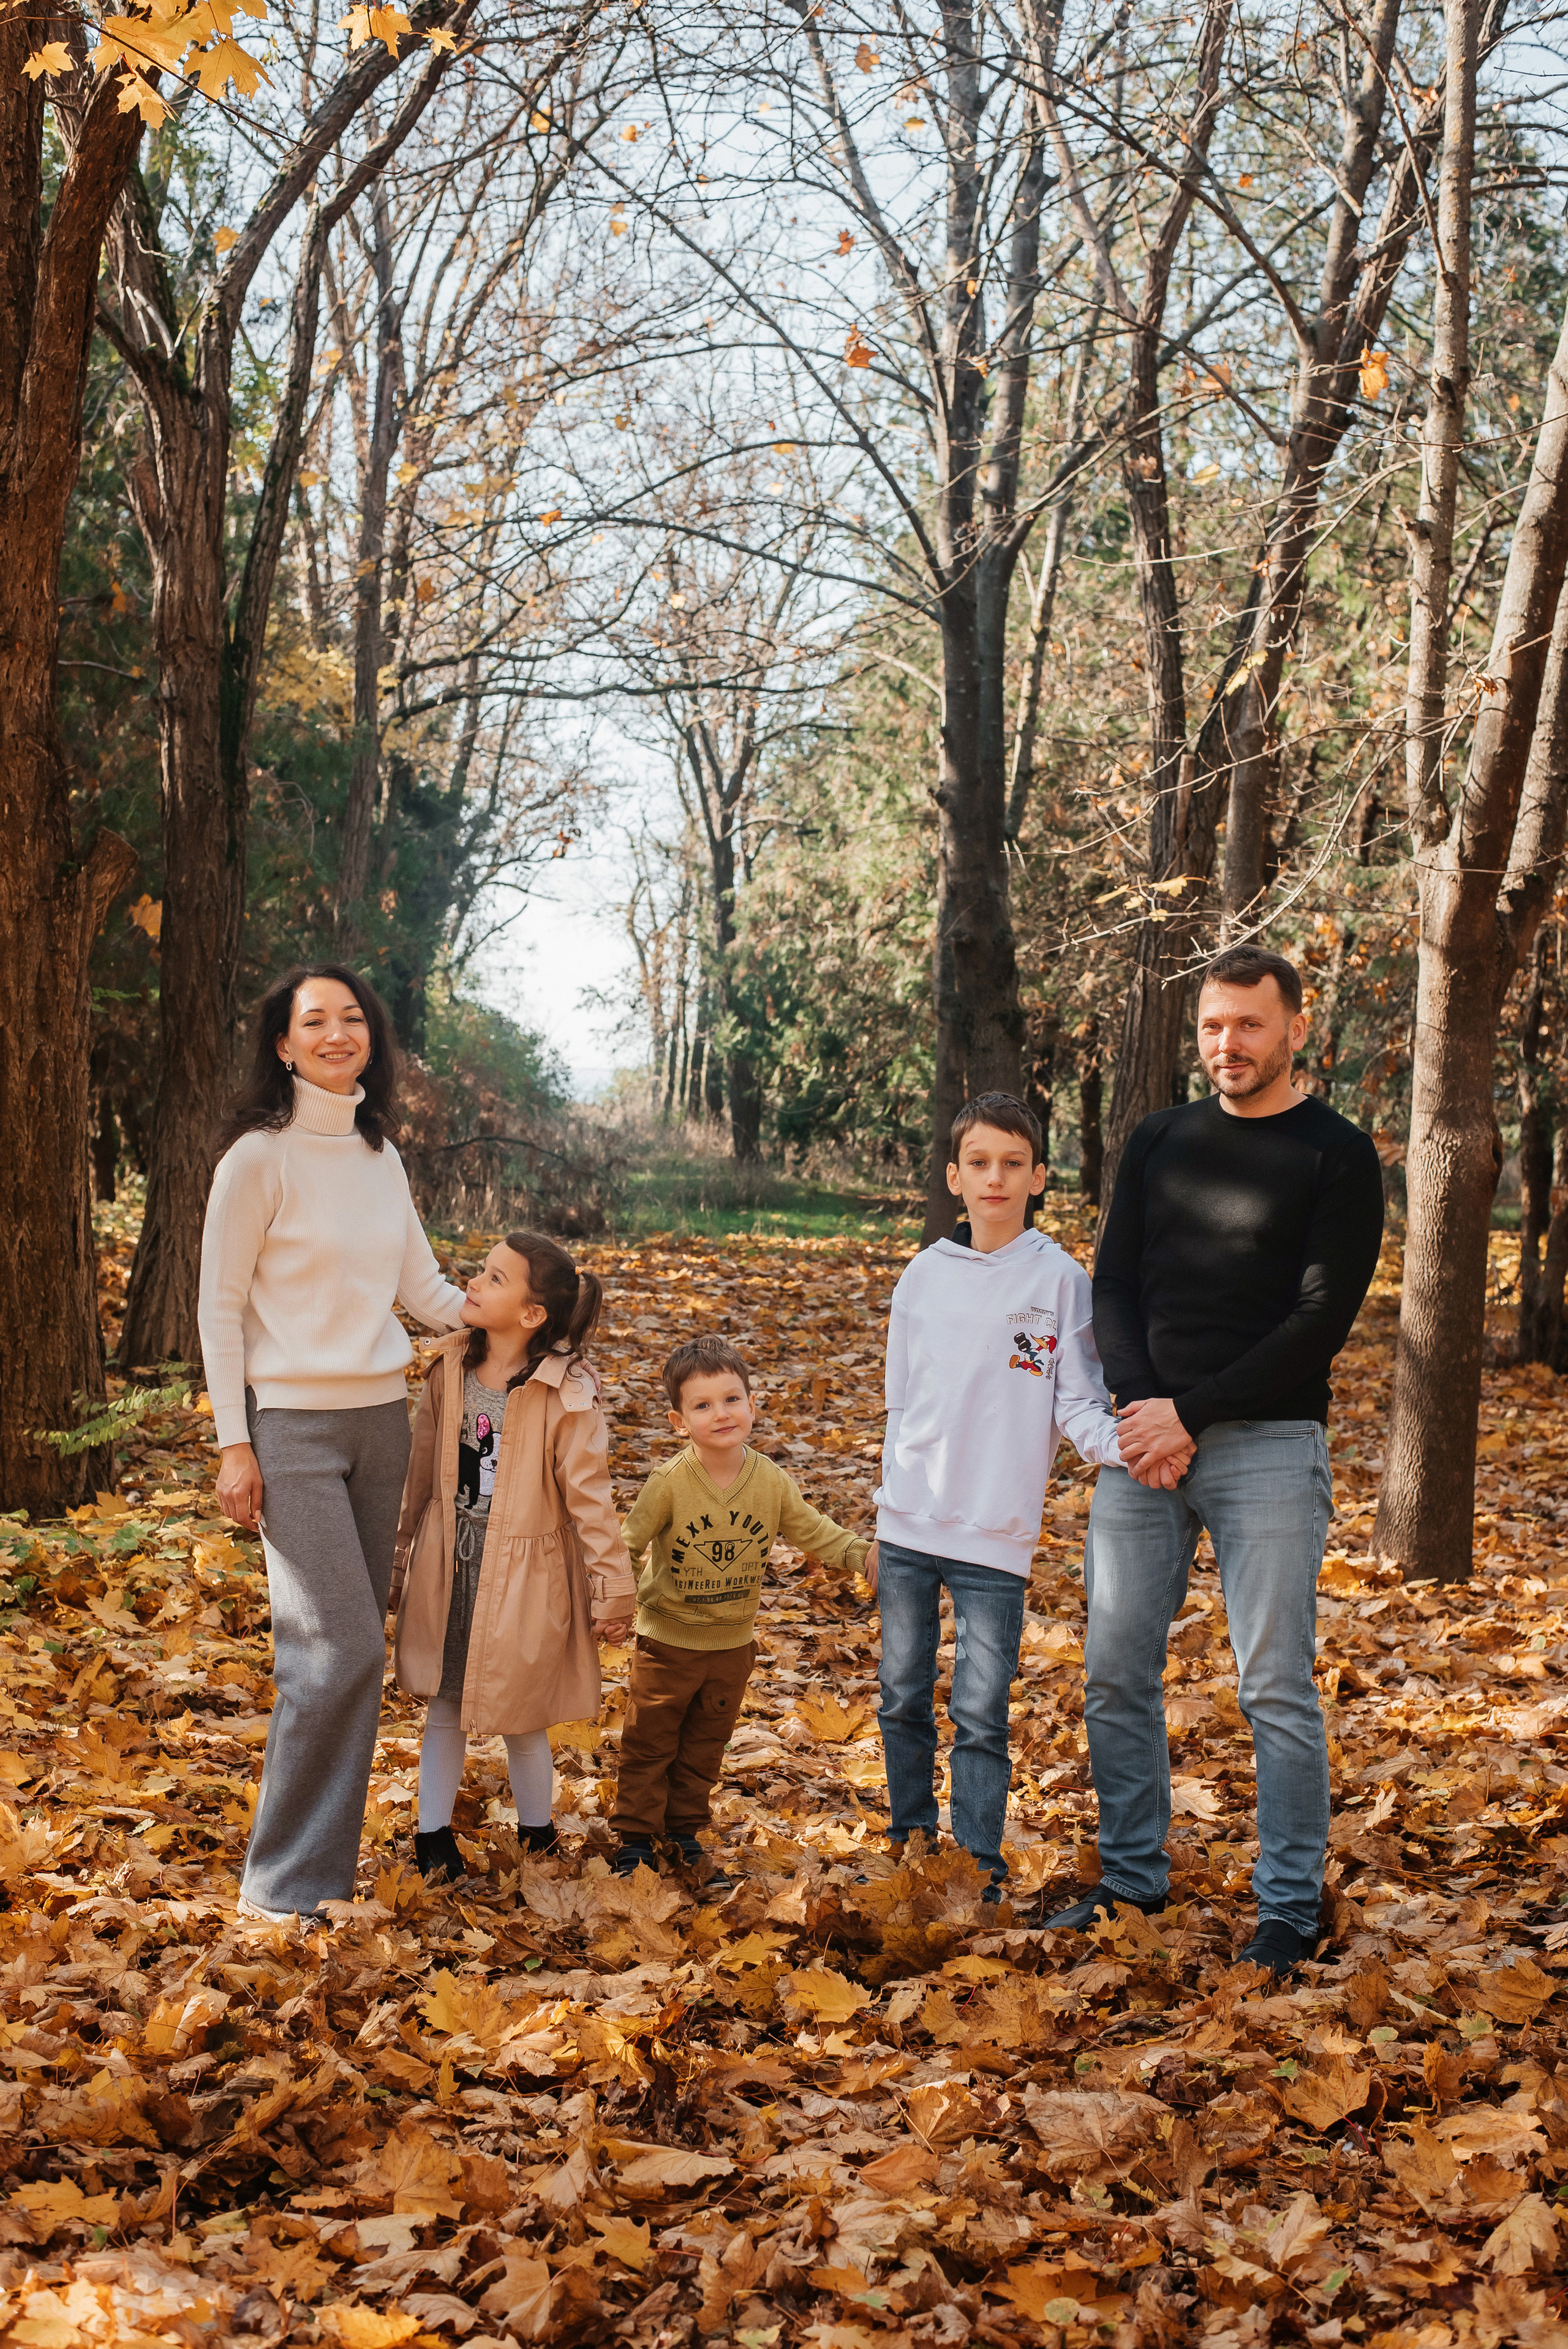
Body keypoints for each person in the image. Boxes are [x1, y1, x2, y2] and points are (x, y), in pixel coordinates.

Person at [1057, 943, 1385, 1975]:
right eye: (1212, 1024)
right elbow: (1111, 1285)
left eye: (1248, 1023)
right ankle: (1130, 1880)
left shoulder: (1337, 1153)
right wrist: (1140, 1406)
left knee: (1274, 1681)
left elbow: (1320, 1317)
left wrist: (1188, 1411)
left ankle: (1287, 1910)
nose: (1227, 1043)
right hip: (1142, 1438)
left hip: (1269, 1445)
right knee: (1114, 1667)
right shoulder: (1158, 1139)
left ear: (1295, 1027)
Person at [198, 964, 470, 1927]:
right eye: (315, 1019)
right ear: (283, 1041)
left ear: (372, 1039)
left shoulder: (377, 1153)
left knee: (351, 1651)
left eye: (352, 1017)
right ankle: (278, 1888)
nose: (336, 1032)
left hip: (380, 1424)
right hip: (292, 1431)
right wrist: (238, 1445)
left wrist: (521, 1312)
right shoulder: (256, 1160)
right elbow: (219, 1309)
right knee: (335, 1647)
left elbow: (425, 1288)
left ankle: (320, 1881)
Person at [874, 1094, 1125, 1902]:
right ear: (954, 1177)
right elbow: (900, 1403)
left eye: (1013, 1163)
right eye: (979, 1162)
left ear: (1039, 1176)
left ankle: (978, 1865)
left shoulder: (1058, 1280)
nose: (996, 1177)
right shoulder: (922, 1274)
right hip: (910, 1526)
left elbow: (1077, 1400)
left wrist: (1125, 1445)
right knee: (902, 1693)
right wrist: (885, 1508)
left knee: (981, 1711)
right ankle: (910, 1843)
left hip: (996, 1538)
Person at [390, 1232, 636, 1883]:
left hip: (526, 1578)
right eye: (481, 1272)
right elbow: (420, 1476)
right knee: (444, 1705)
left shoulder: (564, 1393)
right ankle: (431, 1837)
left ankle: (537, 1833)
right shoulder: (449, 1370)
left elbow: (591, 1500)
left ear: (532, 1316)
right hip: (451, 1564)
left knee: (521, 1713)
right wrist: (396, 1560)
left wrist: (613, 1591)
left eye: (496, 1279)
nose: (473, 1282)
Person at [611, 1336, 870, 1885]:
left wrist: (861, 1555)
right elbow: (627, 1545)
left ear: (753, 1405)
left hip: (731, 1647)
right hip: (668, 1642)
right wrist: (618, 1603)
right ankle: (634, 1838)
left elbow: (811, 1529)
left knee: (705, 1744)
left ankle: (683, 1832)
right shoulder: (670, 1484)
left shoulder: (769, 1480)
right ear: (679, 1421)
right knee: (650, 1741)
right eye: (703, 1405)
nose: (721, 1413)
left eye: (732, 1399)